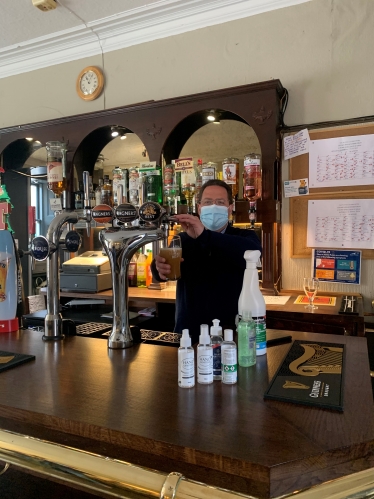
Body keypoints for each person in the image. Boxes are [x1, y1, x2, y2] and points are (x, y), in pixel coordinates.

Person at [151, 179, 262, 343]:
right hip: (189, 334)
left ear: (230, 208)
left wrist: (205, 235)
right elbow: (164, 269)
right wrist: (158, 269)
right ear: (199, 208)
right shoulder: (183, 238)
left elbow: (253, 254)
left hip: (231, 334)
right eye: (208, 202)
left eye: (220, 202)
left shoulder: (244, 237)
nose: (214, 206)